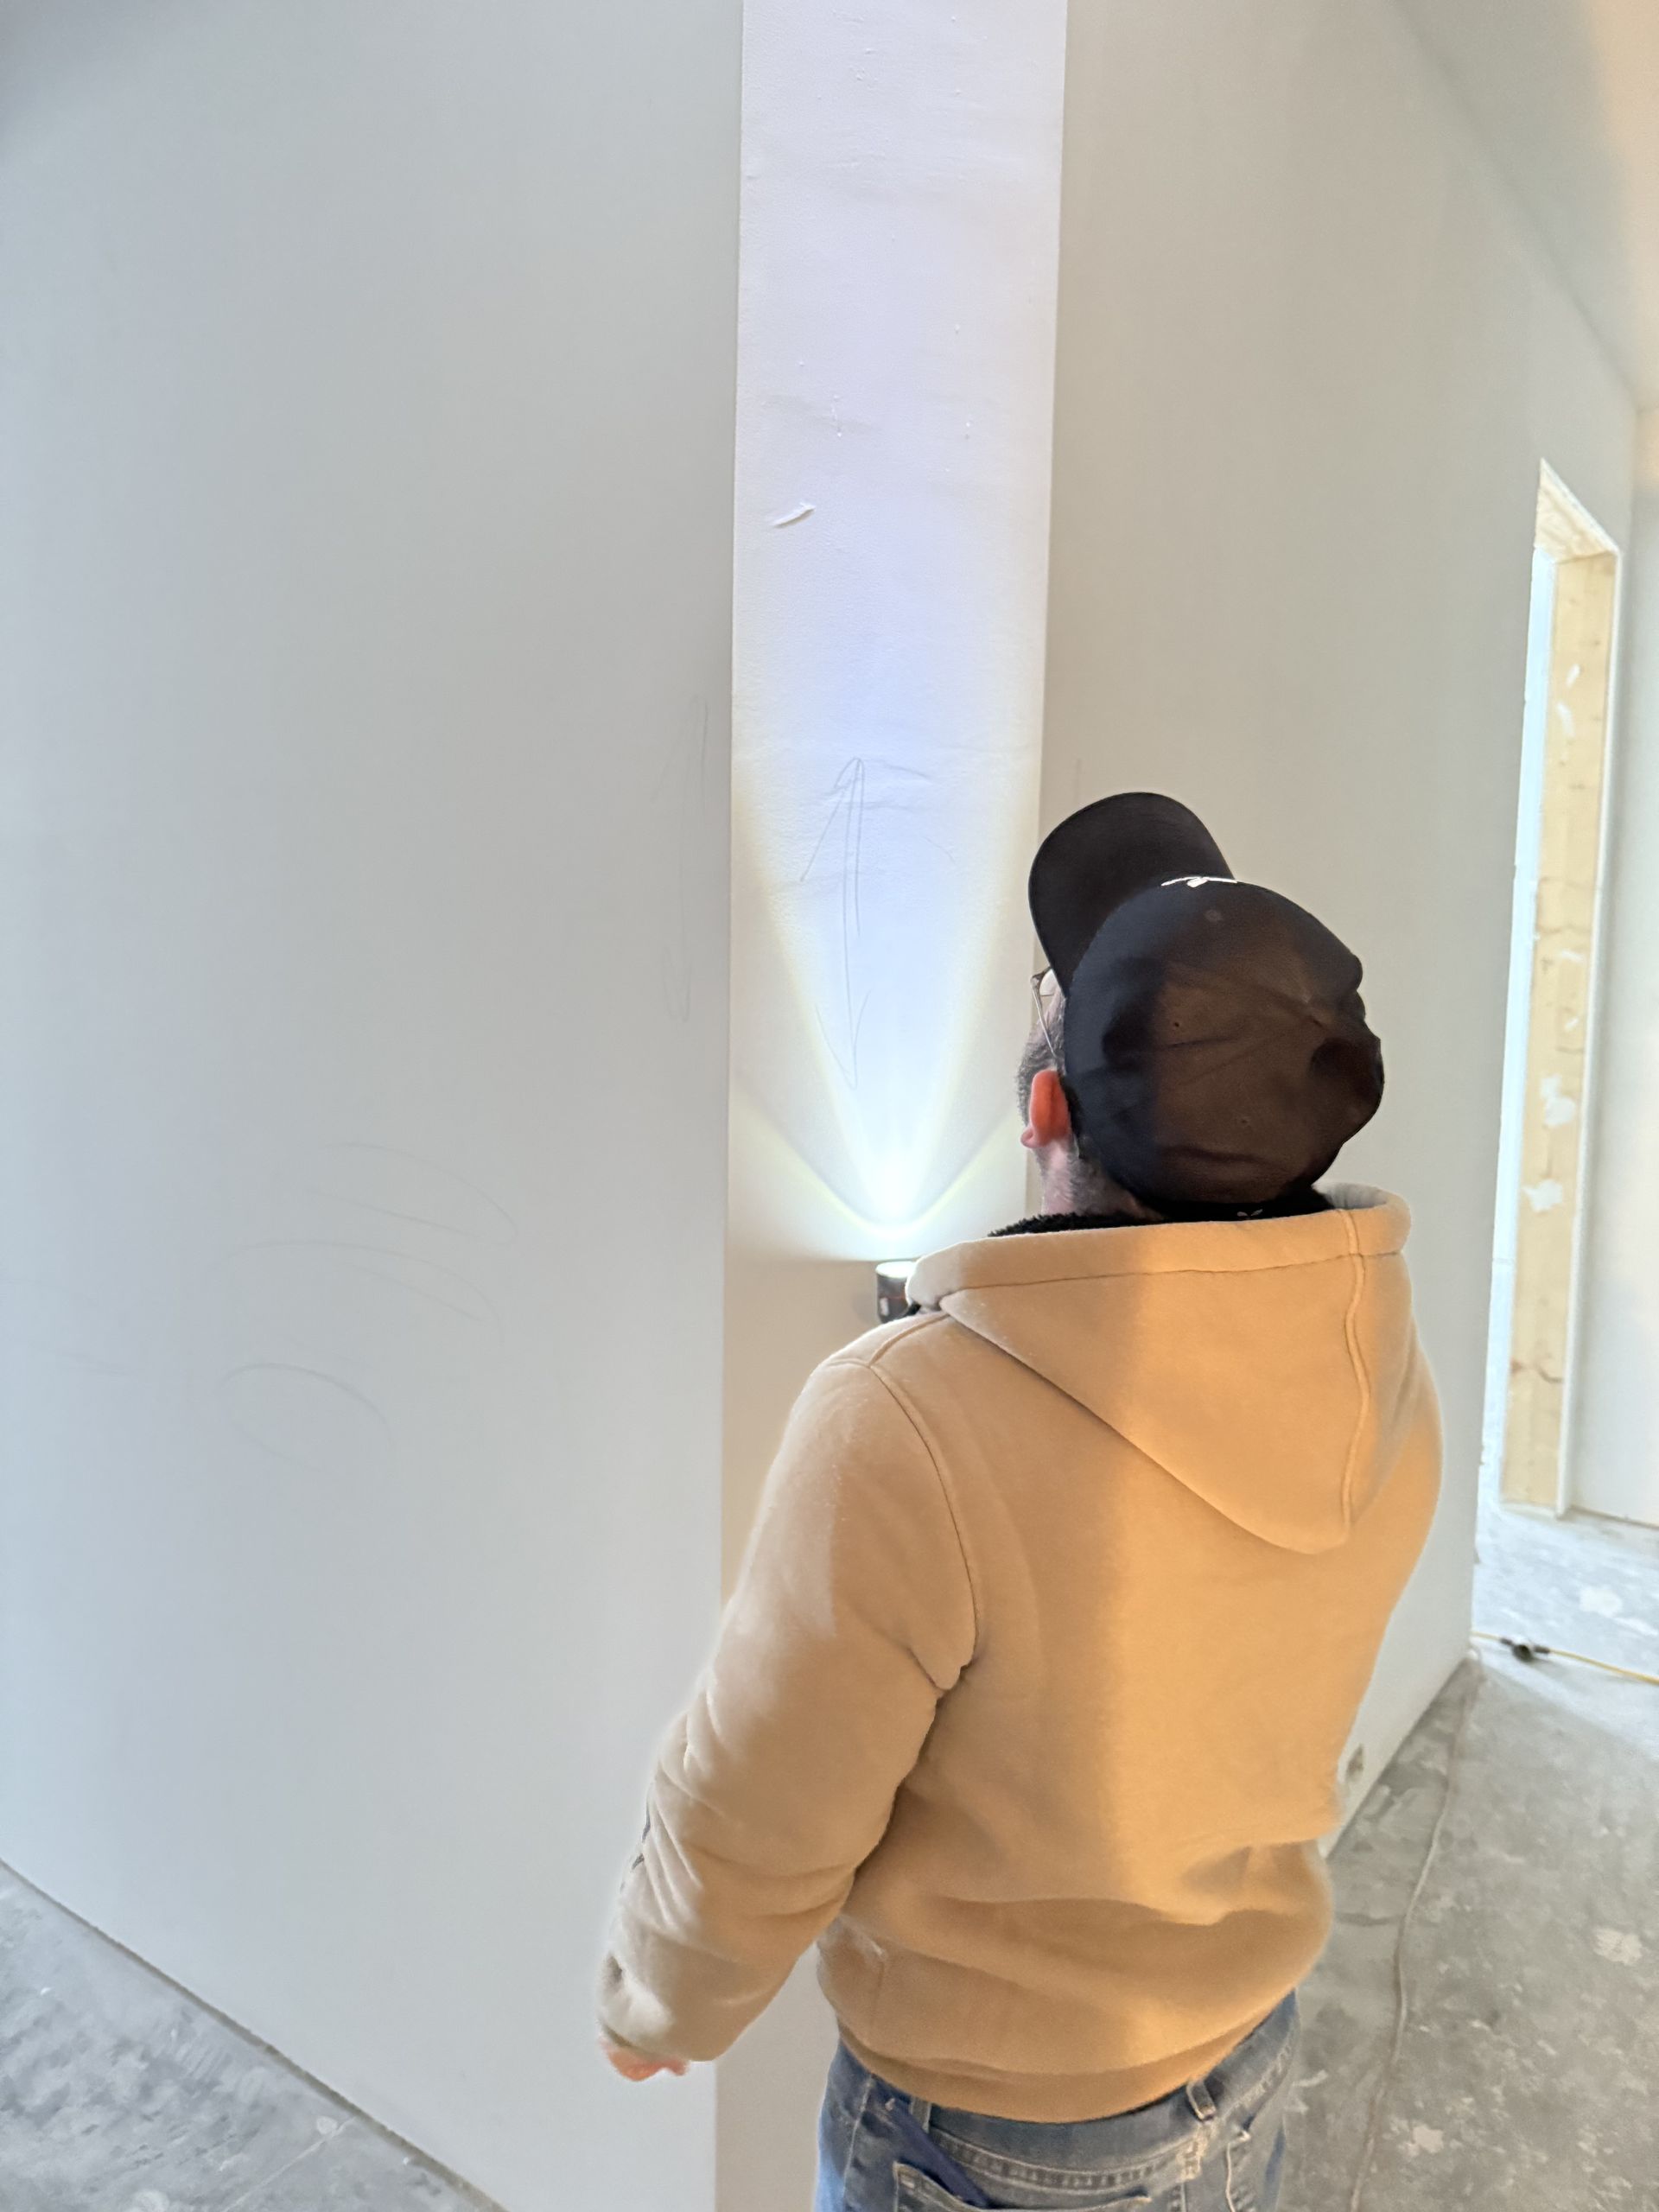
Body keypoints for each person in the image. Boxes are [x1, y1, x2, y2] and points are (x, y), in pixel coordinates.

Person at [596, 792, 1441, 2212]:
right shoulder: (1374, 1354)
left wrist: (657, 2002)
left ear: (1043, 1109)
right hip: (1238, 2064)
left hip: (992, 2135)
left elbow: (761, 1802)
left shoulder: (910, 1423)